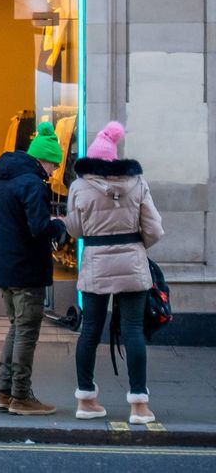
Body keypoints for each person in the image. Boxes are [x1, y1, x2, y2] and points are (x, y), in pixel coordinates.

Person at [63, 121, 165, 424]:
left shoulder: (79, 186)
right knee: (133, 329)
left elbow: (76, 229)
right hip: (132, 261)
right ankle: (138, 405)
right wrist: (136, 245)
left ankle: (86, 400)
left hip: (95, 261)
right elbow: (154, 228)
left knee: (91, 330)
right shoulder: (137, 183)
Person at [0, 121, 68, 416]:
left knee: (15, 328)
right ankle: (21, 395)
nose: (54, 173)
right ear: (44, 160)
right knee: (26, 333)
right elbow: (38, 227)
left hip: (4, 266)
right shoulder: (33, 184)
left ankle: (4, 391)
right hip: (26, 268)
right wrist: (57, 227)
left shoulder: (1, 178)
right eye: (54, 166)